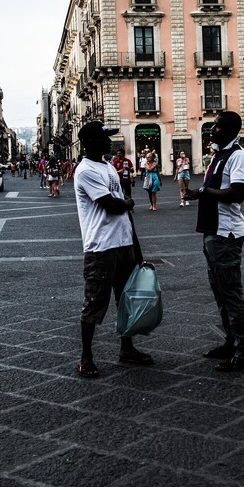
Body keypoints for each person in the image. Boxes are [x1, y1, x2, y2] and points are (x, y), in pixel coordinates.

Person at [73, 121, 154, 378]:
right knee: (95, 301)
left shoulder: (108, 166)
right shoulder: (84, 170)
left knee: (126, 299)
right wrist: (128, 201)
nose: (110, 142)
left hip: (123, 243)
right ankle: (86, 357)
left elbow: (124, 213)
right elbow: (113, 205)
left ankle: (126, 348)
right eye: (104, 139)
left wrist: (135, 246)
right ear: (89, 143)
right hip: (101, 246)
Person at [184, 111, 244, 371]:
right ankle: (230, 341)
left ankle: (243, 350)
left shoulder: (238, 156)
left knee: (231, 293)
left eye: (217, 126)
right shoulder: (218, 155)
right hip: (213, 232)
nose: (211, 129)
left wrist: (202, 191)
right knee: (220, 291)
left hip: (227, 234)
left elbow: (238, 194)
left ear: (230, 131)